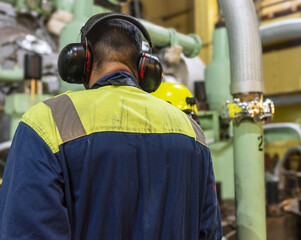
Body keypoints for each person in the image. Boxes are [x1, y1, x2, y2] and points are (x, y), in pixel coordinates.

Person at [0, 13, 222, 240]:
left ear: (81, 62)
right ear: (145, 67)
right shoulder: (192, 133)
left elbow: (27, 231)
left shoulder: (46, 123)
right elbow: (209, 231)